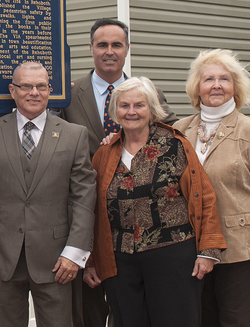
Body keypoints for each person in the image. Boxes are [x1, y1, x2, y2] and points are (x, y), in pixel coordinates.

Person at [60, 17, 176, 327]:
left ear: (126, 49)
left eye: (116, 45)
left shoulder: (147, 92)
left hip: (138, 220)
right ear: (91, 49)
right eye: (102, 45)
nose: (109, 51)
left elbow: (172, 134)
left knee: (133, 307)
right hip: (84, 213)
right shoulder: (67, 93)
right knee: (89, 308)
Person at [83, 77, 226, 327]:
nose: (131, 112)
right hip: (120, 261)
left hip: (173, 256)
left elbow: (203, 196)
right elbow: (94, 210)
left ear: (151, 109)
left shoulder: (175, 145)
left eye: (139, 105)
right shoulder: (104, 153)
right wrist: (93, 260)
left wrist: (208, 251)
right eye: (124, 105)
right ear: (115, 110)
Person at [0, 61, 95, 327]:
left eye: (41, 86)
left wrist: (74, 252)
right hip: (1, 257)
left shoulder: (74, 135)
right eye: (26, 86)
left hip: (56, 259)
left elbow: (84, 197)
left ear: (49, 90)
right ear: (13, 90)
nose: (34, 92)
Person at [173, 49, 250, 327]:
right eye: (209, 79)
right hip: (192, 249)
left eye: (224, 79)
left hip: (240, 252)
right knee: (201, 319)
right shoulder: (181, 130)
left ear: (236, 87)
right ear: (198, 87)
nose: (216, 85)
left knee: (237, 321)